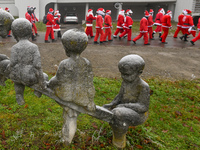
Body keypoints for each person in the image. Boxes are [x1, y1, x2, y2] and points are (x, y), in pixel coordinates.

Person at [103, 54, 150, 147]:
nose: (123, 77)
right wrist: (111, 104)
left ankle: (119, 140)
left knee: (117, 113)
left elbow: (143, 107)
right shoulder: (125, 82)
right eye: (122, 74)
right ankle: (118, 131)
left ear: (139, 72)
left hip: (138, 114)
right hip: (122, 109)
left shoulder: (143, 86)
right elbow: (120, 96)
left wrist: (125, 106)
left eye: (127, 75)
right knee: (115, 114)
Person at [10, 18, 47, 105]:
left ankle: (19, 95)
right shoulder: (33, 47)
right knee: (45, 76)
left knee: (18, 83)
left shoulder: (15, 47)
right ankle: (37, 92)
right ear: (30, 32)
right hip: (29, 77)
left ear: (14, 33)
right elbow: (37, 66)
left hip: (18, 76)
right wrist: (42, 82)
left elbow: (12, 63)